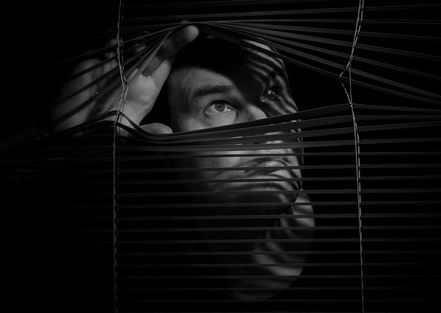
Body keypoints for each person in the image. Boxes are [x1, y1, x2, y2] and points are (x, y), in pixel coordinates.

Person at [51, 25, 314, 301]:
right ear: (166, 143)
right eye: (220, 105)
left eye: (273, 93)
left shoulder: (351, 220)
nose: (265, 124)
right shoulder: (125, 268)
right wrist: (67, 149)